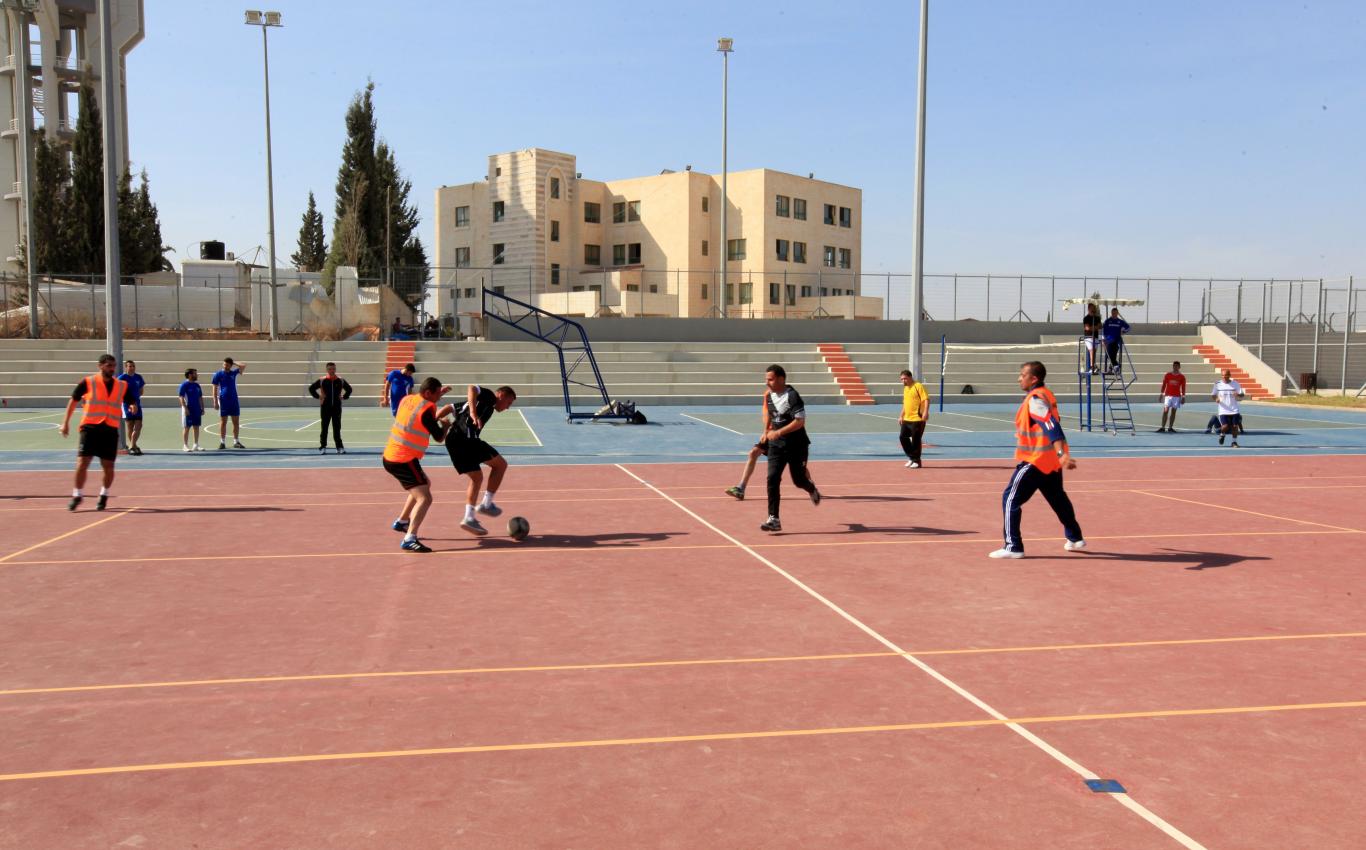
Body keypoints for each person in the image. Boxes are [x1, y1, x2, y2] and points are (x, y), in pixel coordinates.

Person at [989, 361, 1085, 559]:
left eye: (1022, 375)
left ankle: (1012, 546)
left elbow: (1051, 425)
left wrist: (1062, 454)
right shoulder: (1045, 394)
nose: (1019, 378)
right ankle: (1075, 537)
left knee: (1010, 499)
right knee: (1057, 498)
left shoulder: (1035, 399)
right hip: (1049, 461)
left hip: (1037, 460)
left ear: (1034, 378)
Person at [382, 377, 455, 553]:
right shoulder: (425, 410)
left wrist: (439, 393)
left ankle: (402, 521)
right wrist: (445, 425)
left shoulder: (409, 399)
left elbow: (419, 404)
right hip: (402, 459)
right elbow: (438, 437)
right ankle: (409, 538)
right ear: (428, 393)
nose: (439, 397)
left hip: (393, 454)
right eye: (437, 394)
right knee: (425, 498)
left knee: (424, 485)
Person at [441, 384, 518, 536]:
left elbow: (449, 407)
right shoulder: (490, 397)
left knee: (477, 478)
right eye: (508, 403)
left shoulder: (476, 402)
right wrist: (473, 413)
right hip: (466, 439)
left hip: (453, 441)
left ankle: (469, 517)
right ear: (501, 395)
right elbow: (471, 388)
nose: (508, 407)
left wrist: (434, 421)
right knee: (501, 465)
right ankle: (486, 504)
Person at [59, 354, 129, 511]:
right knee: (82, 463)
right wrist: (65, 423)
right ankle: (77, 494)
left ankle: (104, 494)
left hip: (110, 429)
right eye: (109, 365)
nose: (112, 368)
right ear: (100, 366)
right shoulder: (88, 382)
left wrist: (132, 405)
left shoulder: (121, 385)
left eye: (113, 365)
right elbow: (73, 400)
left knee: (108, 466)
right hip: (90, 428)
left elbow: (130, 399)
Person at [758, 364, 821, 533]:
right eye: (766, 379)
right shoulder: (769, 396)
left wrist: (778, 432)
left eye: (770, 379)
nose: (767, 382)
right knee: (772, 478)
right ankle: (774, 519)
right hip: (776, 447)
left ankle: (811, 488)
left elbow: (800, 421)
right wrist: (766, 432)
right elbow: (770, 416)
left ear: (781, 379)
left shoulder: (792, 396)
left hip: (797, 446)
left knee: (798, 480)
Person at [309, 362, 353, 454]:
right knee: (324, 427)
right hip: (325, 407)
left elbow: (349, 389)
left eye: (333, 369)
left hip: (336, 407)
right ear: (327, 370)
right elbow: (311, 388)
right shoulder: (322, 380)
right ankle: (323, 447)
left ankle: (339, 447)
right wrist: (318, 397)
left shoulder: (341, 380)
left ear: (335, 369)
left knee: (337, 428)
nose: (332, 371)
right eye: (330, 369)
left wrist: (344, 397)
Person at [211, 357, 247, 449]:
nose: (225, 366)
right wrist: (215, 401)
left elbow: (243, 366)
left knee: (236, 422)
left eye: (227, 364)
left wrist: (234, 362)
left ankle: (236, 441)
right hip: (223, 400)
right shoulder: (218, 374)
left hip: (234, 400)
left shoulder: (233, 373)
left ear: (230, 366)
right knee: (223, 422)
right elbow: (214, 387)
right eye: (224, 364)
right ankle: (222, 442)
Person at [898, 369, 930, 468]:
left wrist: (925, 412)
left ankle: (917, 461)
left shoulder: (918, 386)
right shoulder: (906, 388)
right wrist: (901, 415)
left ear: (910, 377)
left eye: (905, 379)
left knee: (916, 440)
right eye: (902, 379)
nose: (903, 381)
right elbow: (905, 403)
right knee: (903, 437)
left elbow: (926, 399)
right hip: (907, 419)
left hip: (917, 419)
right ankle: (912, 457)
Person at [116, 359, 146, 455]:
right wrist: (129, 402)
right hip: (126, 405)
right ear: (126, 367)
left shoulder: (138, 377)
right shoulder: (122, 378)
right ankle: (133, 446)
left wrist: (136, 399)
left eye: (133, 366)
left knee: (139, 425)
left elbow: (141, 390)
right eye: (130, 366)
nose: (132, 368)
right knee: (130, 426)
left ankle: (132, 445)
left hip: (137, 404)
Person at [1212, 369, 1246, 447]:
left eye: (1226, 375)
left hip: (1234, 409)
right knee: (1225, 426)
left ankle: (1234, 442)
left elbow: (1242, 395)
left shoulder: (1235, 383)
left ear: (1229, 375)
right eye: (1223, 375)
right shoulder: (1217, 384)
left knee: (1235, 426)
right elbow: (1213, 395)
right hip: (1223, 409)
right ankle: (1222, 434)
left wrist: (1238, 394)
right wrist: (1216, 399)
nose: (1225, 377)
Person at [179, 368, 205, 452]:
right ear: (190, 375)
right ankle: (185, 445)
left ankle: (196, 445)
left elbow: (200, 397)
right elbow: (181, 397)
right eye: (195, 373)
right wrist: (185, 408)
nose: (197, 375)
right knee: (187, 427)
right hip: (188, 409)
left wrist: (202, 408)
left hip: (197, 409)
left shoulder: (197, 385)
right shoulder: (184, 385)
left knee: (196, 426)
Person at [1157, 360, 1187, 433]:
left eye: (1177, 366)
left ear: (1179, 367)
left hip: (1176, 396)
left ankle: (1170, 427)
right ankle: (1163, 427)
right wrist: (1161, 394)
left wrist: (1183, 397)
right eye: (1174, 366)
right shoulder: (1168, 375)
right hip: (1168, 396)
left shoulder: (1182, 377)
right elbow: (1164, 384)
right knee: (1165, 411)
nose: (1175, 367)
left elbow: (1183, 387)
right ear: (1173, 366)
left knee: (1173, 412)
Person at [1101, 308, 1130, 374]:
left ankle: (1111, 368)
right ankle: (1116, 365)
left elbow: (1128, 327)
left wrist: (1123, 331)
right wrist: (1104, 339)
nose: (1114, 314)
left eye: (1115, 313)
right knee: (1108, 355)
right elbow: (1103, 331)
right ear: (1111, 313)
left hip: (1117, 340)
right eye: (1113, 313)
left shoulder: (1120, 321)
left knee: (1113, 355)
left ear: (1117, 313)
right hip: (1108, 341)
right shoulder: (1107, 321)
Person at [1081, 303, 1101, 373]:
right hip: (1088, 337)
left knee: (1094, 352)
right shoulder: (1086, 318)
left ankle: (1092, 366)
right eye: (1092, 308)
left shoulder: (1097, 318)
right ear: (1089, 309)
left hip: (1095, 337)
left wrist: (1093, 328)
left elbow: (1099, 326)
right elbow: (1087, 328)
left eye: (1094, 308)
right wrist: (1094, 328)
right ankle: (1092, 366)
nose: (1093, 309)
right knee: (1091, 350)